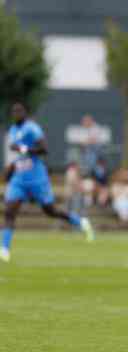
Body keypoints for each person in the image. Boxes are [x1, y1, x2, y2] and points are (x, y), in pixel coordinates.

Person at [1, 103, 94, 262]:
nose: (17, 114)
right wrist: (10, 168)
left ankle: (81, 222)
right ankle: (4, 248)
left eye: (20, 111)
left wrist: (23, 149)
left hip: (37, 177)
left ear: (25, 113)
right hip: (20, 178)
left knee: (50, 211)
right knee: (9, 211)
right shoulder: (13, 130)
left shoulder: (32, 128)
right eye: (14, 112)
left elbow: (44, 149)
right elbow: (16, 155)